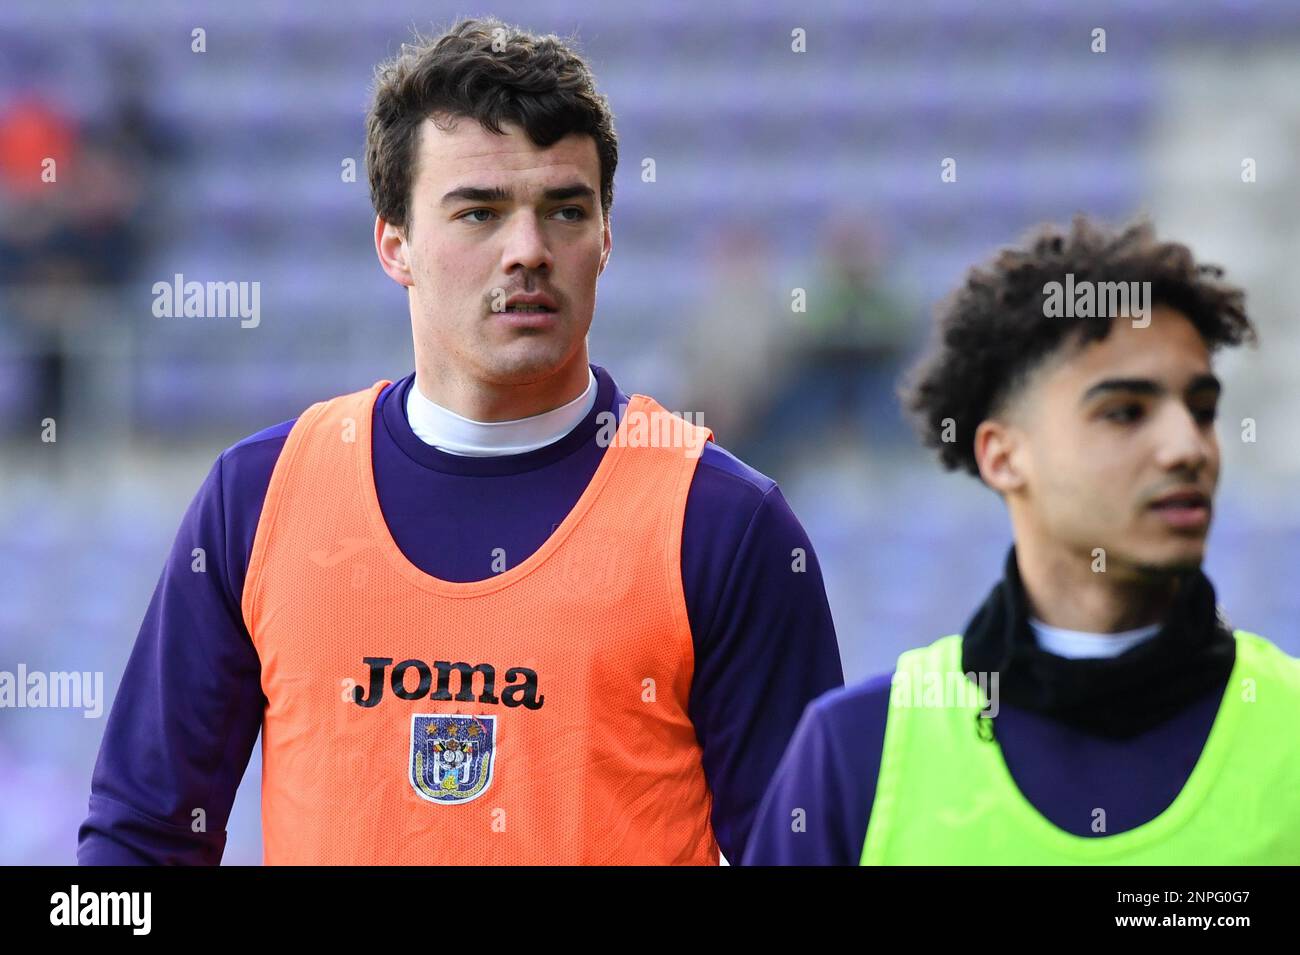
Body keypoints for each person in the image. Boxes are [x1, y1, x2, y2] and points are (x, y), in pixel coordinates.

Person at [78, 18, 842, 865]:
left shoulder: (725, 524)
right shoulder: (257, 498)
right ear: (394, 244)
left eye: (565, 210)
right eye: (479, 212)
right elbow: (140, 841)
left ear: (605, 240)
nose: (529, 251)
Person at [744, 214, 1300, 865]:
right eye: (1125, 412)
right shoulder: (856, 753)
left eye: (1201, 410)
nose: (1188, 447)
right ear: (1003, 455)